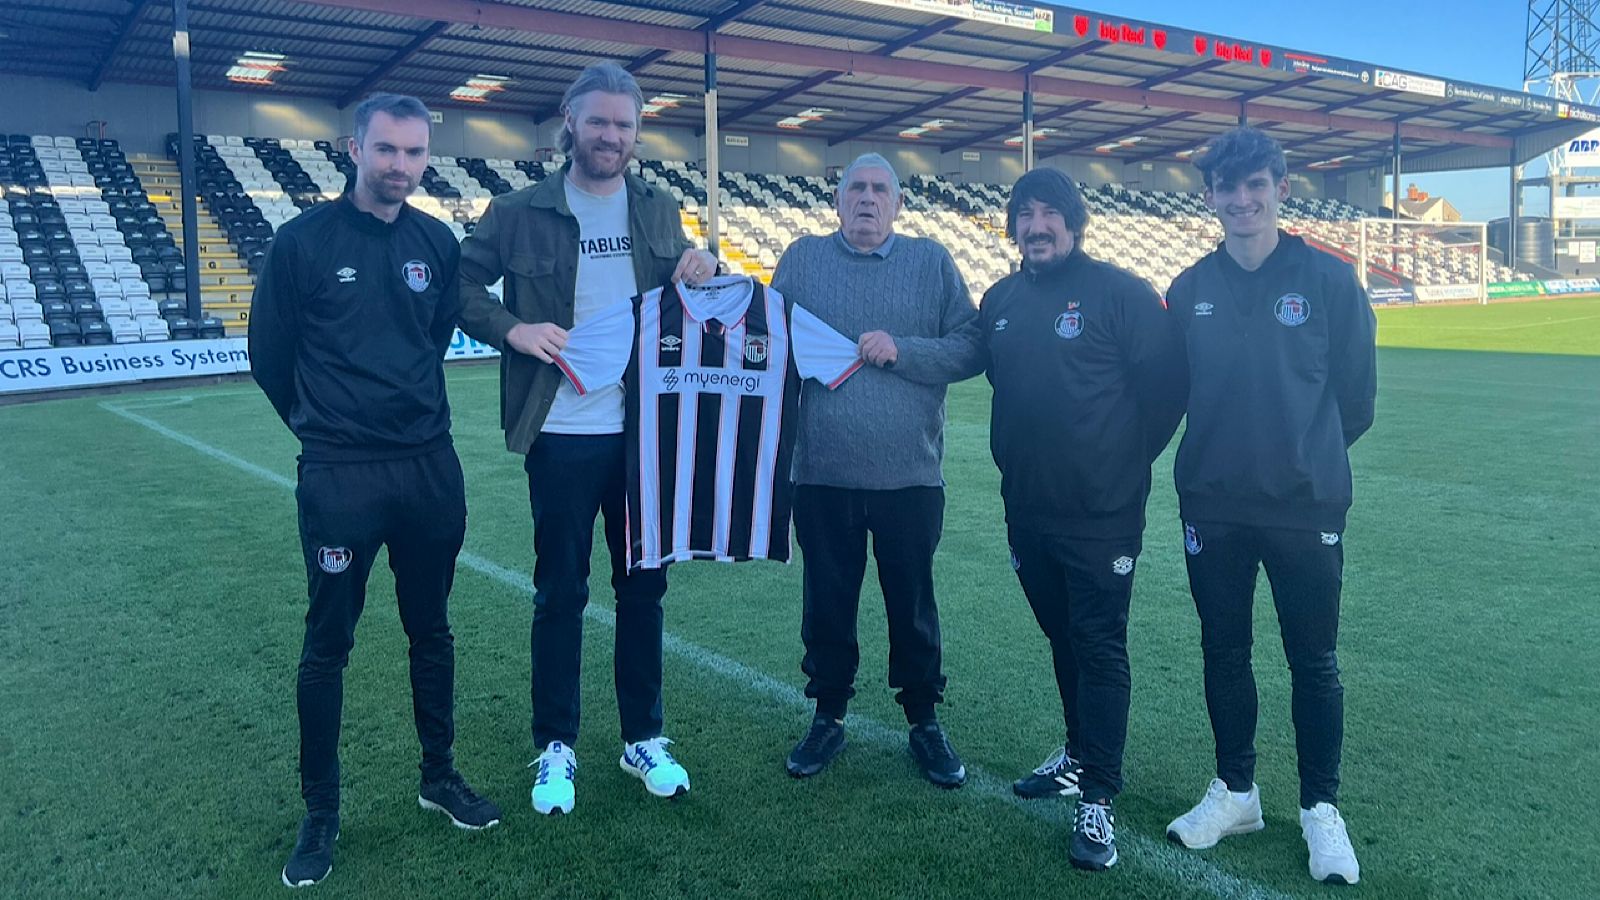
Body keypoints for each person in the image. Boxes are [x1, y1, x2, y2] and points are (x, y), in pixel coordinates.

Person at [249, 93, 501, 889]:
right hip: (340, 476)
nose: (400, 166)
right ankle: (321, 811)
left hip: (428, 467)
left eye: (414, 153)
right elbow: (270, 354)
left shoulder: (435, 241)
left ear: (428, 156)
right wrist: (323, 432)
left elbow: (430, 340)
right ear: (354, 148)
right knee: (329, 644)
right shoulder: (302, 242)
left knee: (432, 629)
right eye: (386, 150)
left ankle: (439, 776)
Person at [456, 61, 719, 816]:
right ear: (569, 121)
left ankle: (643, 736)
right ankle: (557, 745)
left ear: (637, 133)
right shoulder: (517, 211)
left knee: (644, 590)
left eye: (624, 124)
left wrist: (705, 263)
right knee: (560, 591)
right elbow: (462, 289)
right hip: (562, 431)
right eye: (598, 121)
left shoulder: (659, 208)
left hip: (644, 432)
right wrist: (515, 328)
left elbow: (692, 288)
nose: (611, 135)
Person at [1162, 126, 1377, 886]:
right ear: (1212, 196)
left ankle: (1321, 808)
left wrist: (1297, 457)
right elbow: (1172, 391)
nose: (1242, 200)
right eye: (1228, 187)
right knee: (1224, 651)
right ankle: (1237, 791)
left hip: (1302, 505)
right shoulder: (1189, 290)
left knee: (1312, 660)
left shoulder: (1329, 282)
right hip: (1212, 506)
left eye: (1257, 185)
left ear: (1282, 189)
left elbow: (1356, 402)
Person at [977, 168, 1186, 870]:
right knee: (1062, 636)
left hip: (1102, 515)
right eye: (1025, 214)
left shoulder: (1120, 294)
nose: (1037, 225)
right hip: (1027, 511)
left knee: (1098, 645)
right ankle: (1076, 750)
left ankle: (1097, 798)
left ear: (1075, 222)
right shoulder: (999, 299)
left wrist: (1119, 464)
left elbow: (1165, 393)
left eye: (1050, 214)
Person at [772, 153, 984, 788]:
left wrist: (904, 349)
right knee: (827, 603)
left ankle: (924, 721)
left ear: (898, 204)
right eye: (856, 189)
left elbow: (972, 345)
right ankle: (827, 715)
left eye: (880, 190)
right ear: (837, 201)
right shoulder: (802, 260)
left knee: (912, 604)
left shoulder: (932, 263)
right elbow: (764, 343)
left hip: (911, 478)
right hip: (823, 476)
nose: (867, 199)